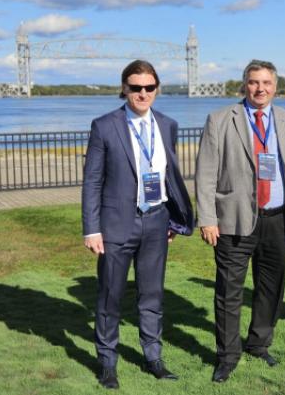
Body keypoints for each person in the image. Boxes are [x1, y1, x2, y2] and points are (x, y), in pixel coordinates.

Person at [195, 59, 285, 383]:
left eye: (266, 83)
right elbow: (205, 174)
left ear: (275, 86)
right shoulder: (220, 120)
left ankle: (259, 344)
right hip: (233, 219)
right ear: (244, 85)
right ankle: (227, 356)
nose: (260, 89)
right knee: (229, 291)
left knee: (270, 287)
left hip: (277, 219)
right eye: (253, 82)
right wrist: (207, 218)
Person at [82, 59, 194, 389]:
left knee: (152, 295)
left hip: (157, 222)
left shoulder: (168, 125)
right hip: (116, 224)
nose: (142, 93)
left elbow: (168, 176)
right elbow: (92, 181)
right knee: (110, 296)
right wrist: (92, 228)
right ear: (124, 89)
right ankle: (107, 362)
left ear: (157, 89)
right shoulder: (105, 126)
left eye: (149, 87)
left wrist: (173, 218)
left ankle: (153, 358)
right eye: (135, 87)